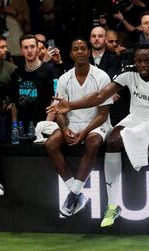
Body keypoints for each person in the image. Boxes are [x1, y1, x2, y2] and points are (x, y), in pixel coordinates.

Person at [47, 44, 149, 230]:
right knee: (111, 141)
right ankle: (112, 206)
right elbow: (101, 95)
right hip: (134, 117)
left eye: (147, 61)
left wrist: (145, 127)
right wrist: (70, 106)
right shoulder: (128, 72)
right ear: (134, 62)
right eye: (139, 61)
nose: (143, 65)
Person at [45, 38, 113, 217]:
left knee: (93, 142)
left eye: (83, 48)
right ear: (71, 54)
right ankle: (76, 193)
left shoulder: (101, 76)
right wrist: (64, 128)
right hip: (72, 123)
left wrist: (83, 133)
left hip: (97, 124)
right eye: (76, 49)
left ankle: (73, 195)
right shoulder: (63, 79)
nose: (80, 51)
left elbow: (103, 114)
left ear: (89, 52)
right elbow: (59, 111)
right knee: (51, 143)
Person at [9, 34, 58, 127]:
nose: (29, 50)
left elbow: (55, 101)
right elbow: (14, 104)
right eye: (25, 47)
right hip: (22, 127)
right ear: (21, 51)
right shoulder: (16, 73)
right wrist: (14, 126)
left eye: (32, 46)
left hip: (43, 124)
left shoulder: (50, 70)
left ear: (37, 49)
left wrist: (45, 126)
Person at [0, 35, 17, 196]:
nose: (6, 50)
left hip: (4, 118)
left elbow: (16, 94)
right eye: (2, 47)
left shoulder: (11, 69)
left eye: (6, 47)